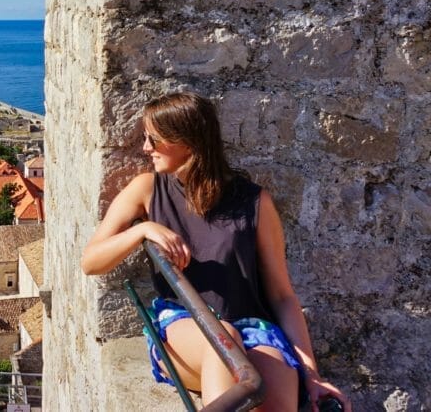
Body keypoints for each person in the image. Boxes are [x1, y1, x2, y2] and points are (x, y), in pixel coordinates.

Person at [80, 92, 349, 411]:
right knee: (224, 339)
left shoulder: (254, 202)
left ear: (188, 141)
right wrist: (142, 229)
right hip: (183, 324)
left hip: (252, 329)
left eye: (154, 139)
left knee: (278, 399)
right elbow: (91, 262)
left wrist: (312, 374)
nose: (146, 148)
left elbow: (282, 296)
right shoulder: (147, 189)